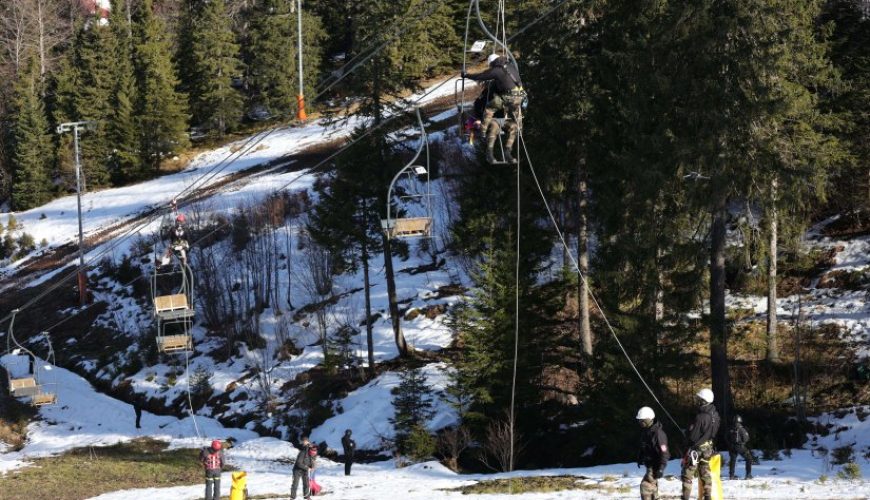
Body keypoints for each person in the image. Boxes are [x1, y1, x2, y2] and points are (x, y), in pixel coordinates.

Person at [461, 53, 524, 164]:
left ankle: (483, 132)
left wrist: (467, 75)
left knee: (491, 113)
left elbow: (481, 76)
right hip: (517, 98)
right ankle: (504, 152)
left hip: (502, 112)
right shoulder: (510, 68)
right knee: (508, 125)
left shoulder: (497, 73)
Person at [681, 388, 720, 500]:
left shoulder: (701, 417)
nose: (698, 401)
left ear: (704, 401)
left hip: (696, 450)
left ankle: (685, 498)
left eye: (700, 399)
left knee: (687, 475)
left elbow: (693, 437)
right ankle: (708, 497)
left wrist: (687, 433)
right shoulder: (715, 415)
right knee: (705, 474)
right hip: (708, 449)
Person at [636, 406, 669, 500]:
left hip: (655, 466)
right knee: (652, 490)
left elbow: (665, 453)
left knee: (645, 487)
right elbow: (645, 446)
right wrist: (640, 457)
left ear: (648, 420)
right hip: (650, 464)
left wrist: (661, 468)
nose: (640, 423)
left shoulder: (658, 434)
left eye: (641, 420)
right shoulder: (647, 431)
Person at [728, 415, 753, 480]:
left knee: (732, 460)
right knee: (749, 458)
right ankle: (748, 475)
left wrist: (730, 444)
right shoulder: (741, 429)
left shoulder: (730, 428)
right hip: (739, 446)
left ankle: (731, 475)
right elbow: (746, 438)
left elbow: (726, 437)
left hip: (731, 446)